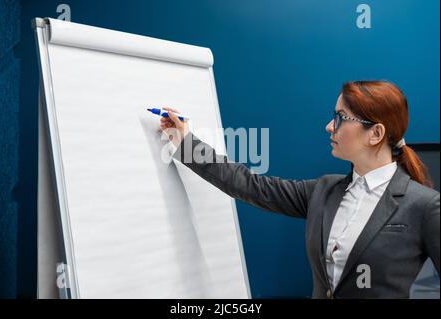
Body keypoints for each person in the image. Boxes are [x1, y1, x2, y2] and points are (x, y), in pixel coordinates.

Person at [159, 80, 440, 299]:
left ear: (375, 134)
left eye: (341, 117)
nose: (329, 126)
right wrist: (185, 142)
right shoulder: (324, 190)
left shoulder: (424, 206)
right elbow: (249, 185)